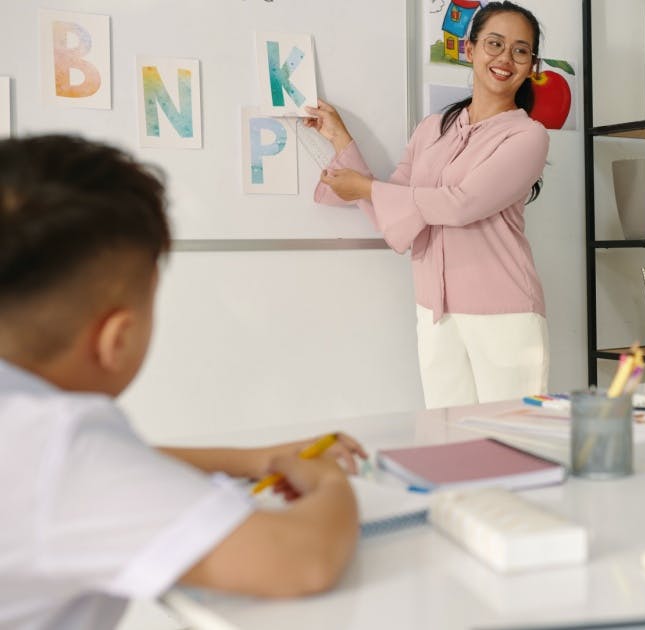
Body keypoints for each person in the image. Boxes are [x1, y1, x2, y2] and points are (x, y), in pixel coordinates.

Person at [0, 135, 365, 630]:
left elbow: (105, 464)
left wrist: (256, 459)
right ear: (117, 338)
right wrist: (329, 482)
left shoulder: (35, 436)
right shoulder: (56, 443)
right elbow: (301, 560)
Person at [306, 1, 551, 409]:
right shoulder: (432, 129)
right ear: (469, 50)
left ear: (533, 65)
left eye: (520, 50)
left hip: (504, 316)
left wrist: (367, 188)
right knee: (449, 443)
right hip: (434, 312)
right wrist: (339, 141)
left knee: (514, 444)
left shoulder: (529, 136)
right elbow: (395, 208)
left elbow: (459, 205)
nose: (505, 58)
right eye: (494, 43)